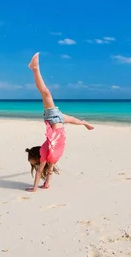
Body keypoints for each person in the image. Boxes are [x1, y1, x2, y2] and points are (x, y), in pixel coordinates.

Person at [27, 52, 94, 192]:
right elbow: (48, 171)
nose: (31, 164)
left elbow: (40, 172)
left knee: (46, 93)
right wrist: (46, 185)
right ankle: (85, 123)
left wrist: (34, 189)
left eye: (30, 161)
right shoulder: (50, 158)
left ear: (36, 157)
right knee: (75, 120)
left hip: (53, 120)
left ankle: (35, 68)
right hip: (60, 121)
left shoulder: (45, 154)